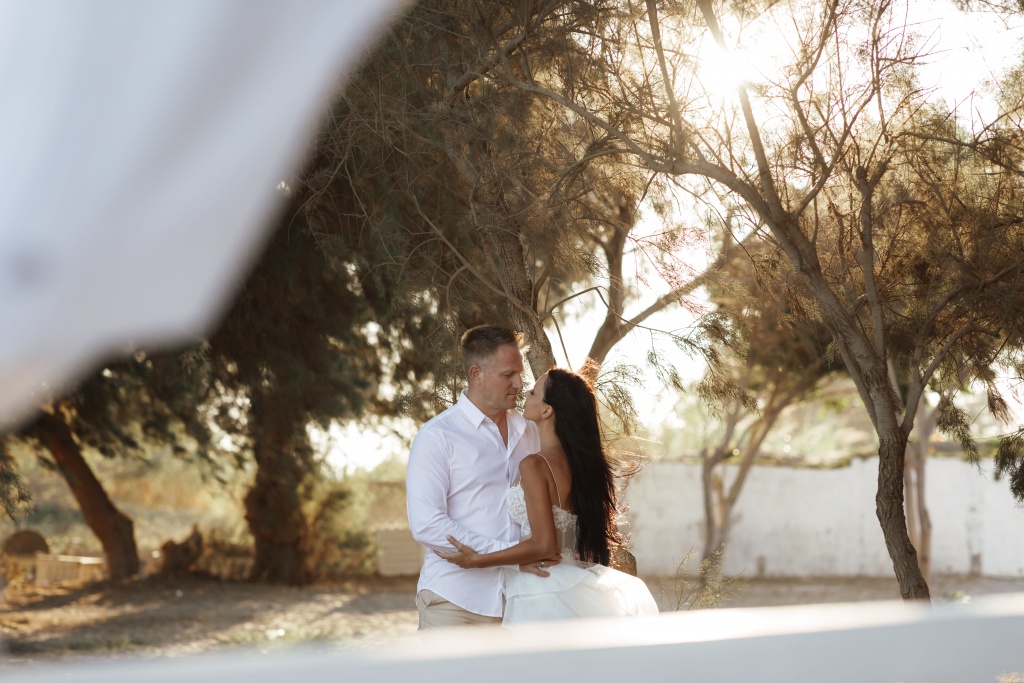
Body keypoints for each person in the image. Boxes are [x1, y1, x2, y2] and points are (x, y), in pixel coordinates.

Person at [437, 368, 659, 626]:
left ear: (546, 411)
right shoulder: (579, 465)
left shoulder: (534, 465)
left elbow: (544, 545)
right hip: (571, 584)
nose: (525, 393)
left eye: (533, 392)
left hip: (540, 589)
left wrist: (478, 560)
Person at [406, 325, 555, 629]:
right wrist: (509, 556)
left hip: (521, 601)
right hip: (454, 602)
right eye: (507, 375)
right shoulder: (437, 437)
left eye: (519, 373)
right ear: (477, 374)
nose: (518, 383)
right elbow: (428, 524)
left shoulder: (530, 431)